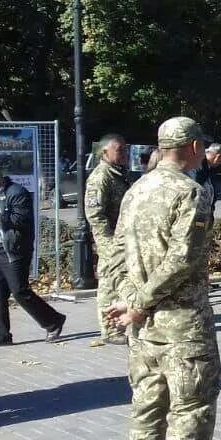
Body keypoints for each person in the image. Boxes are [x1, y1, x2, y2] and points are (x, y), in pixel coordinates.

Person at [104, 116, 221, 440]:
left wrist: (125, 301)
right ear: (193, 147)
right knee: (189, 414)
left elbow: (117, 252)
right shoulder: (190, 193)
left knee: (147, 408)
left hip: (144, 329)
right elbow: (182, 260)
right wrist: (138, 304)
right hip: (181, 325)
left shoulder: (137, 190)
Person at [0, 165, 65, 346]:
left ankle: (53, 321)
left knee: (20, 291)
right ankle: (0, 336)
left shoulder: (17, 192)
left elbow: (20, 220)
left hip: (15, 250)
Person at [85, 133, 132, 343]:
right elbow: (95, 214)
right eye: (119, 150)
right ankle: (111, 330)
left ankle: (117, 326)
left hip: (123, 240)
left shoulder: (119, 173)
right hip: (111, 242)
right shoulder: (101, 177)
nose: (124, 154)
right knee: (109, 286)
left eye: (125, 149)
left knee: (120, 284)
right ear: (105, 152)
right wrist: (109, 244)